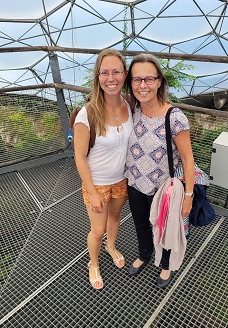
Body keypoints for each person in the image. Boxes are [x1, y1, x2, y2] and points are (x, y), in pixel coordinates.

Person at [124, 53, 195, 289]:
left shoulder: (174, 117)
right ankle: (144, 254)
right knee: (141, 223)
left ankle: (165, 264)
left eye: (148, 79)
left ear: (159, 82)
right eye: (136, 80)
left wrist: (188, 195)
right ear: (131, 83)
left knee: (164, 228)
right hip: (134, 182)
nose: (142, 85)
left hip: (162, 188)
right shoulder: (134, 110)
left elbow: (187, 158)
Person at [73, 49, 133, 290]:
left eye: (116, 72)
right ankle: (93, 262)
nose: (111, 78)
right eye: (105, 72)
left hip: (122, 179)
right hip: (96, 183)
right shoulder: (87, 115)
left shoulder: (130, 105)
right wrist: (93, 192)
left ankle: (111, 247)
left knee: (116, 217)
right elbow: (79, 157)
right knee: (97, 230)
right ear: (97, 77)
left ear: (125, 74)